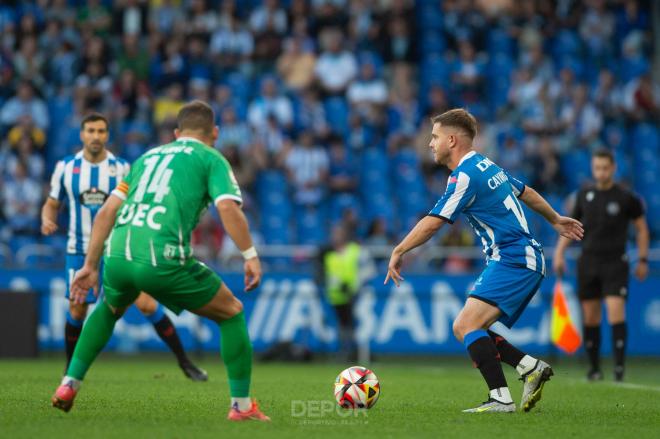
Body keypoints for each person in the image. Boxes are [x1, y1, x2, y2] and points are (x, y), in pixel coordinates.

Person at [51, 101, 270, 422]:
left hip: (117, 253)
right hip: (161, 257)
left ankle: (68, 383)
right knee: (232, 313)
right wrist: (250, 255)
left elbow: (108, 211)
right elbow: (228, 208)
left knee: (109, 309)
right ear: (215, 133)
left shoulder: (146, 157)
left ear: (177, 133)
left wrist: (89, 265)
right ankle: (242, 407)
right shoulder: (212, 158)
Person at [385, 109, 584, 413]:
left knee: (466, 324)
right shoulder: (485, 164)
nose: (430, 144)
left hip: (514, 257)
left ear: (451, 140)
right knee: (465, 326)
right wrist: (554, 219)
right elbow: (525, 191)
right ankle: (530, 367)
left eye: (435, 137)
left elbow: (435, 221)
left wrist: (399, 250)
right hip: (519, 256)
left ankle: (501, 398)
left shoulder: (465, 175)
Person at [41, 112, 207, 381]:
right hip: (79, 248)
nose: (96, 136)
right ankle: (70, 370)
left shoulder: (123, 168)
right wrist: (47, 218)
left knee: (147, 304)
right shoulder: (65, 167)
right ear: (82, 134)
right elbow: (51, 202)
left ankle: (185, 362)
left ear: (108, 136)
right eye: (91, 131)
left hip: (117, 248)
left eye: (101, 132)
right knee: (77, 309)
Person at [553, 149, 649, 382]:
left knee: (616, 312)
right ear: (593, 168)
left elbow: (642, 229)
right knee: (591, 317)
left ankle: (618, 369)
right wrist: (559, 254)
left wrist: (643, 259)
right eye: (597, 168)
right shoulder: (584, 195)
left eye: (605, 168)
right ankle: (594, 369)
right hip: (588, 261)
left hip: (616, 262)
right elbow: (570, 227)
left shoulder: (627, 197)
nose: (601, 172)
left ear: (613, 168)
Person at [320, 224, 375, 362]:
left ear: (344, 235)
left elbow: (369, 270)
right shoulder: (329, 254)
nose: (335, 237)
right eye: (334, 234)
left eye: (337, 233)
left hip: (355, 295)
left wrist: (355, 286)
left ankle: (355, 353)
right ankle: (344, 352)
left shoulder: (356, 251)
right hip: (336, 296)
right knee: (341, 325)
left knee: (354, 325)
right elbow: (327, 275)